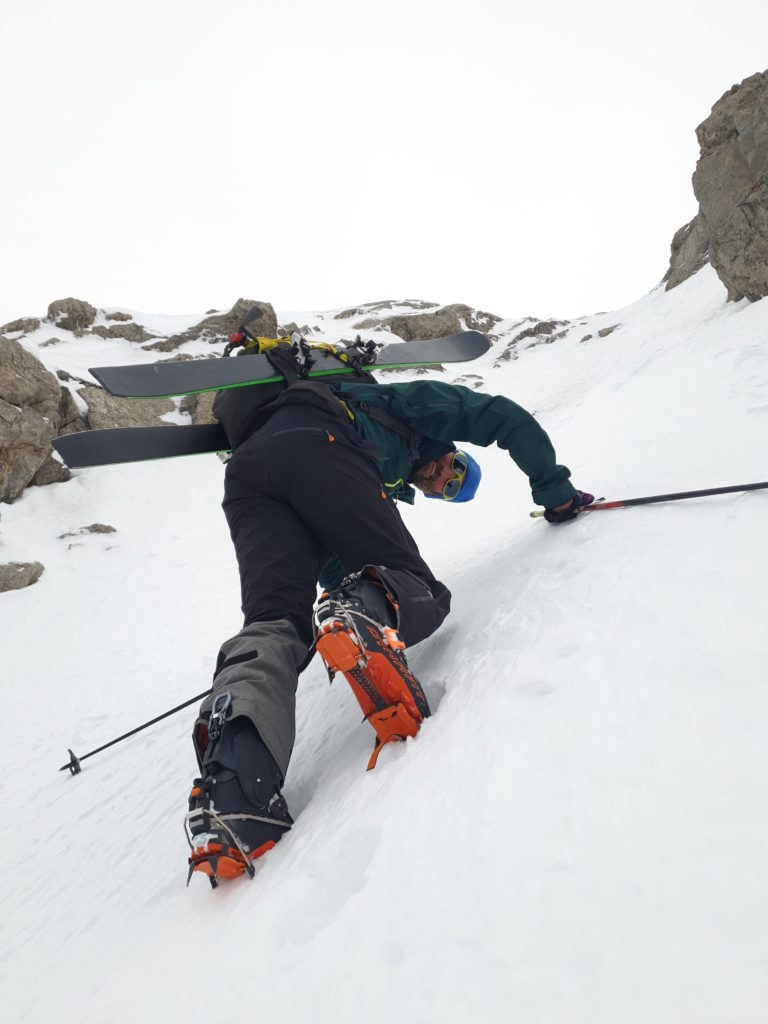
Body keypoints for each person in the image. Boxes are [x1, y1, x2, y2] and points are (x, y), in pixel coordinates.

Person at [185, 370, 592, 885]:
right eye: (455, 468)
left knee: (273, 621)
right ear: (452, 448)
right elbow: (501, 416)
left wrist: (341, 598)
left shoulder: (380, 471)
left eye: (450, 489)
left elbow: (335, 556)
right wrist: (556, 492)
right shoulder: (413, 408)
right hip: (318, 438)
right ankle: (363, 614)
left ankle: (236, 794)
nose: (443, 476)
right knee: (420, 589)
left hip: (247, 473)